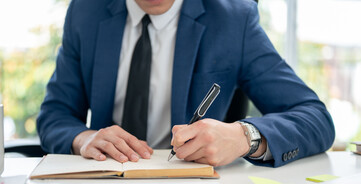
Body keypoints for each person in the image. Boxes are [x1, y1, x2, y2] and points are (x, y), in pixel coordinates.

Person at [37, 0, 335, 168]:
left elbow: (315, 117)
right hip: (105, 183)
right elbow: (55, 115)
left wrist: (245, 136)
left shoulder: (233, 19)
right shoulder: (85, 12)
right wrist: (83, 138)